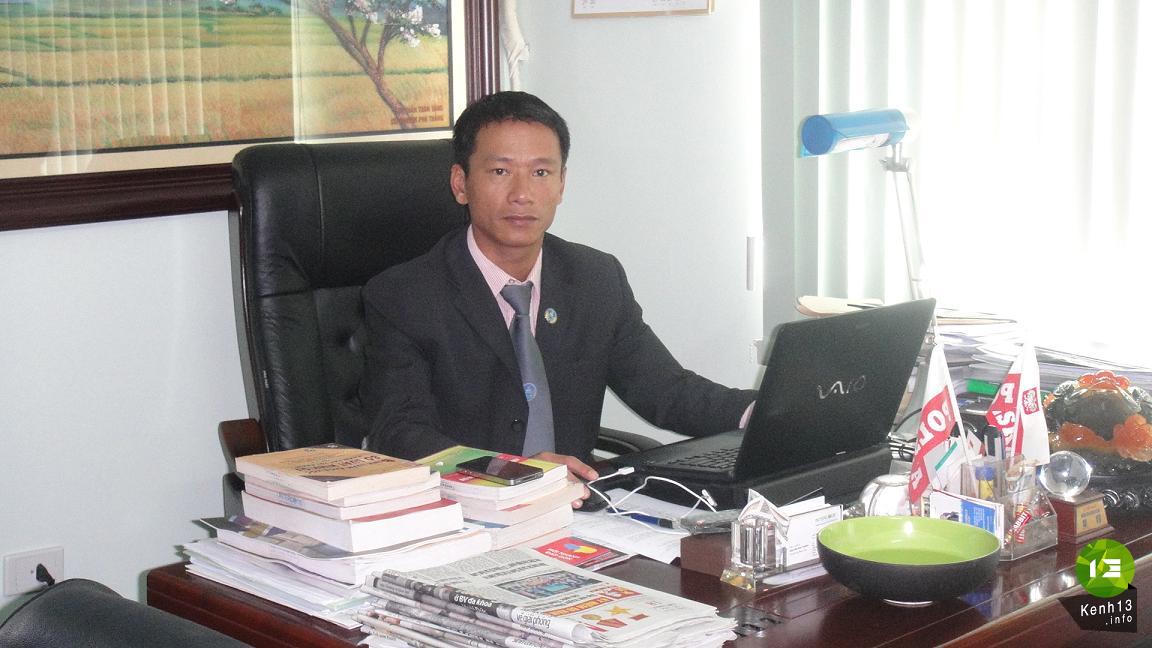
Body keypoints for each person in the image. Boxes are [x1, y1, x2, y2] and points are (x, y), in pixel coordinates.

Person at [361, 91, 755, 505]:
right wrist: (514, 472)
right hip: (465, 510)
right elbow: (400, 433)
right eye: (500, 171)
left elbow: (664, 390)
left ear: (561, 184)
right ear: (461, 183)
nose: (522, 194)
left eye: (541, 173)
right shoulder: (405, 296)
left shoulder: (595, 278)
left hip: (576, 508)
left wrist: (761, 414)